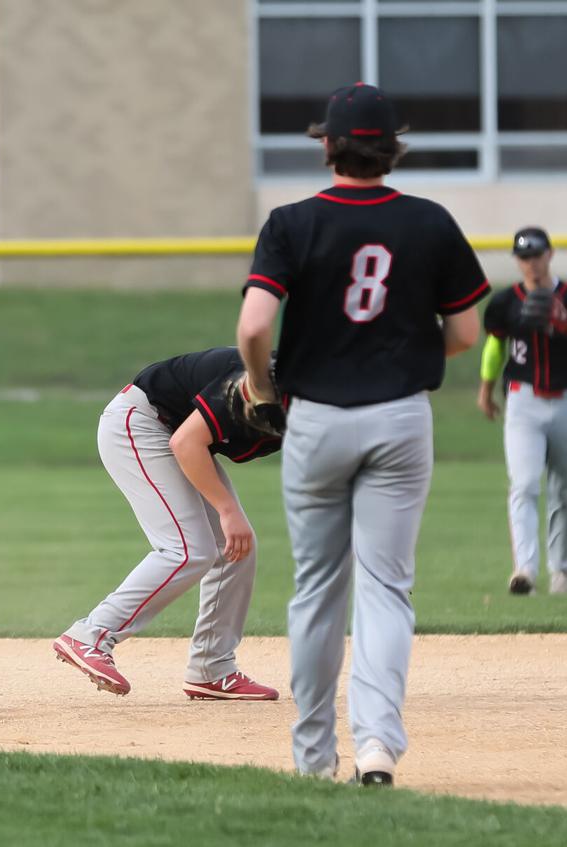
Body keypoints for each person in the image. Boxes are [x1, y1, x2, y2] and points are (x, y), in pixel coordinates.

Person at [236, 83, 488, 787]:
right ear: (392, 146)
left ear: (328, 145)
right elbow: (466, 329)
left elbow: (255, 326)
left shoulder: (290, 222)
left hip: (316, 417)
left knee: (318, 588)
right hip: (401, 418)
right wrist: (409, 353)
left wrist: (259, 387)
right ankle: (378, 744)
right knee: (386, 588)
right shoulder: (429, 221)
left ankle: (314, 756)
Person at [53, 347, 283, 702]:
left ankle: (212, 669)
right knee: (188, 550)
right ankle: (90, 635)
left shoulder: (320, 402)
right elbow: (186, 441)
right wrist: (226, 509)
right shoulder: (261, 382)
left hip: (176, 434)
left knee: (235, 549)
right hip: (142, 424)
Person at [478, 227, 567, 596]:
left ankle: (561, 572)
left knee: (566, 489)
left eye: (536, 254)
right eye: (523, 256)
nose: (531, 262)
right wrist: (485, 389)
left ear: (550, 254)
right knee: (523, 485)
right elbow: (495, 348)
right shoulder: (506, 301)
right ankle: (524, 570)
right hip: (522, 402)